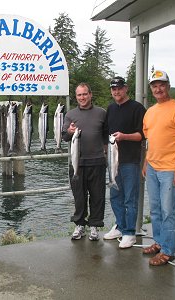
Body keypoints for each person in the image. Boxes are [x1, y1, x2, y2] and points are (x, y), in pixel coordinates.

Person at [142, 70, 175, 266]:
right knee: (155, 210)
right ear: (151, 89)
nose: (158, 88)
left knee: (168, 210)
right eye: (154, 85)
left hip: (171, 168)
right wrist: (146, 162)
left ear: (168, 86)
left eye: (161, 84)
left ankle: (168, 251)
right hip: (153, 167)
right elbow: (150, 141)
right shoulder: (150, 112)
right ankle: (159, 242)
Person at [103, 76, 146, 248]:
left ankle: (130, 233)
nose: (116, 91)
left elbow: (142, 135)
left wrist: (124, 136)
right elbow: (105, 132)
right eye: (113, 89)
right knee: (115, 196)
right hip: (113, 161)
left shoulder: (137, 108)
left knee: (130, 198)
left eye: (119, 88)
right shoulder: (111, 108)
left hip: (130, 162)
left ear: (126, 88)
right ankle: (120, 226)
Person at [62, 83, 108, 241]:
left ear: (90, 94)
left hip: (97, 162)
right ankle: (80, 225)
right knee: (79, 196)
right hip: (77, 164)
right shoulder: (70, 115)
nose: (82, 97)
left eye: (85, 94)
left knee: (97, 196)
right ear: (76, 97)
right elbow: (65, 136)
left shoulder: (102, 113)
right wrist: (69, 131)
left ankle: (94, 226)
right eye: (79, 95)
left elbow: (107, 136)